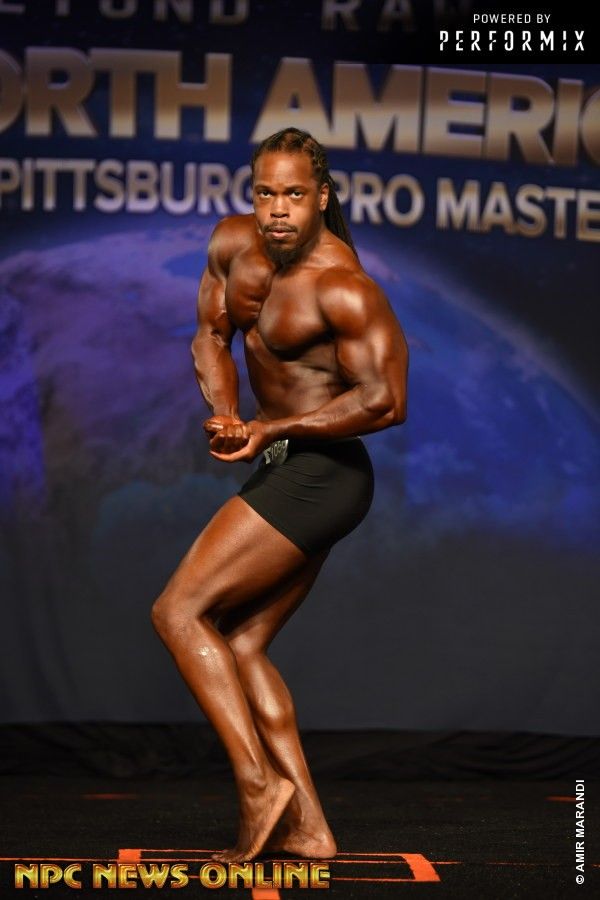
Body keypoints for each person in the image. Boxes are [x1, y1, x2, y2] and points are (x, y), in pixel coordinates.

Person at [151, 128, 408, 864]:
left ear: (321, 196)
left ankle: (259, 786)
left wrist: (273, 428)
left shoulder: (344, 285)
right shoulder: (233, 245)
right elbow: (210, 335)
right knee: (242, 645)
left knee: (178, 612)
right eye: (266, 192)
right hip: (283, 461)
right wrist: (228, 412)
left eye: (294, 194)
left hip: (325, 473)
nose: (277, 210)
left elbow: (387, 401)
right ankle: (311, 829)